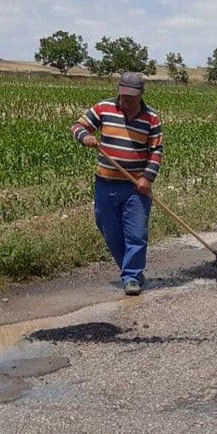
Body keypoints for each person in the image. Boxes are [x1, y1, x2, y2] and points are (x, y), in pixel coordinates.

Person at [71, 71, 163, 296]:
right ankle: (130, 270)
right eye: (124, 96)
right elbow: (77, 126)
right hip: (106, 183)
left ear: (141, 94)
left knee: (136, 233)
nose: (127, 101)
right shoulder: (103, 108)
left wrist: (146, 178)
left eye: (132, 97)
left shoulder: (151, 118)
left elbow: (156, 150)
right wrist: (85, 137)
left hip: (135, 187)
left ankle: (131, 276)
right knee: (108, 228)